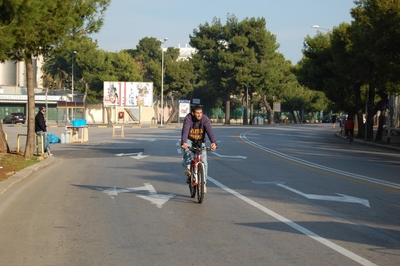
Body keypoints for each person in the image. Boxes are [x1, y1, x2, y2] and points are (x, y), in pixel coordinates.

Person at [181, 105, 217, 193]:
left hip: (200, 141)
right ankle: (188, 166)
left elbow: (210, 131)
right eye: (197, 113)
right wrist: (184, 142)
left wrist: (213, 142)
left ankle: (203, 184)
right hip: (190, 139)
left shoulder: (205, 119)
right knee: (187, 149)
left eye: (200, 113)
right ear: (193, 113)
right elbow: (185, 130)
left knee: (204, 162)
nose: (199, 115)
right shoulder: (188, 118)